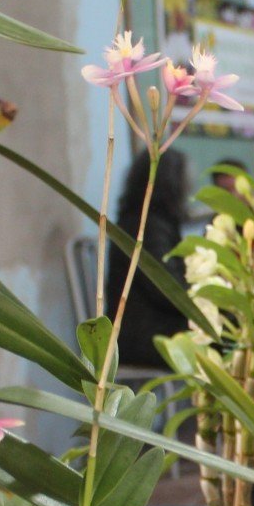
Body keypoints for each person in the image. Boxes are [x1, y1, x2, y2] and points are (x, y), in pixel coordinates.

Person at [102, 148, 190, 368]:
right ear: (173, 184)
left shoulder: (146, 221)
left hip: (143, 330)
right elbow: (167, 290)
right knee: (226, 338)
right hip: (143, 337)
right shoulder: (147, 227)